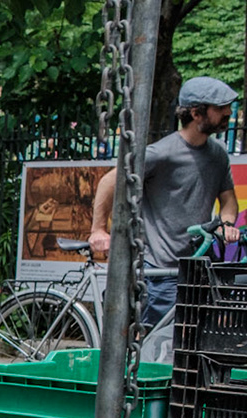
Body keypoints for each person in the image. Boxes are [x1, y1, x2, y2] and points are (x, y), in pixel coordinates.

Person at [90, 75, 241, 329]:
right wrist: (98, 229)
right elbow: (108, 182)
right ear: (196, 113)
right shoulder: (162, 153)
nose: (228, 112)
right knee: (158, 344)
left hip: (198, 266)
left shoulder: (217, 155)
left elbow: (228, 201)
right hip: (161, 269)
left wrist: (226, 225)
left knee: (195, 340)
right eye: (220, 107)